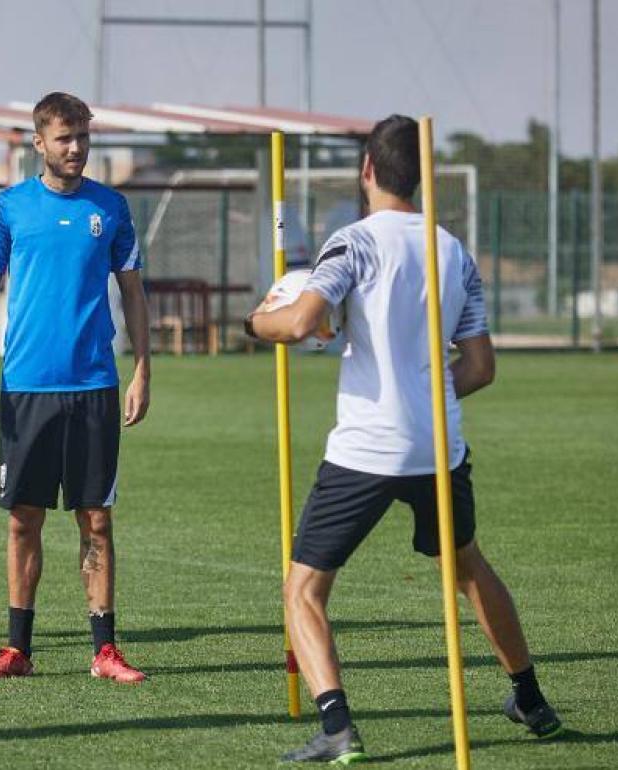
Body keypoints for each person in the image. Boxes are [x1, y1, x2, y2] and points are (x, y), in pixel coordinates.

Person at [247, 114, 563, 764]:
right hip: (437, 444)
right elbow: (479, 367)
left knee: (303, 589)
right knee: (468, 566)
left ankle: (337, 725)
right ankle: (529, 697)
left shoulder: (354, 242)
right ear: (422, 176)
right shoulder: (453, 250)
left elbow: (303, 321)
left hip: (366, 446)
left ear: (367, 170)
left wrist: (258, 321)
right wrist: (426, 394)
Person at [0, 92, 152, 684]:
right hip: (26, 386)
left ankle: (105, 650)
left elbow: (133, 292)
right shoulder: (9, 207)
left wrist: (143, 367)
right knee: (24, 520)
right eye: (64, 138)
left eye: (82, 138)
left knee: (96, 520)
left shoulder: (112, 208)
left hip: (94, 383)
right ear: (39, 143)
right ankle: (17, 649)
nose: (76, 148)